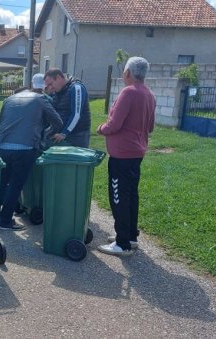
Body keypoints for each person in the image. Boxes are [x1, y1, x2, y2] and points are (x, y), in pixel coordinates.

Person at [96, 56, 155, 256]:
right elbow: (151, 127)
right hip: (137, 153)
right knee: (131, 195)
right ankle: (130, 236)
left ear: (127, 72)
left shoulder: (128, 92)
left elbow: (114, 124)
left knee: (118, 196)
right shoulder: (149, 94)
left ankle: (122, 243)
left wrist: (101, 128)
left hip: (122, 155)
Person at [0, 74, 63, 231]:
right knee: (16, 185)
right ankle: (5, 221)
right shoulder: (41, 99)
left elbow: (1, 122)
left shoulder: (9, 99)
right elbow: (57, 122)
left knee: (2, 182)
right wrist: (43, 134)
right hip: (24, 148)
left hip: (2, 146)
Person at [43, 69, 91, 148]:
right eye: (47, 86)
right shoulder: (56, 92)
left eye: (50, 84)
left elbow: (76, 114)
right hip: (61, 134)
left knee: (76, 160)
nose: (50, 88)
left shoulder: (76, 88)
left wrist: (64, 133)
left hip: (77, 135)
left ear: (58, 77)